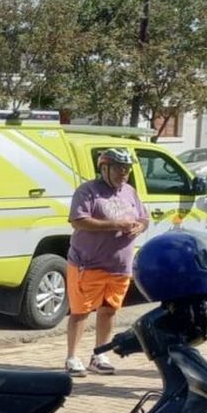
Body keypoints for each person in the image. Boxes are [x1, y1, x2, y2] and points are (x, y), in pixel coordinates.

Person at [64, 147, 149, 376]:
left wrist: (139, 226)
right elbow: (78, 220)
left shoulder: (129, 192)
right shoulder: (88, 191)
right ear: (104, 168)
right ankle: (72, 357)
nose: (124, 173)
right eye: (120, 168)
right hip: (88, 263)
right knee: (80, 312)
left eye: (127, 168)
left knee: (109, 310)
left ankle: (99, 354)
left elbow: (144, 218)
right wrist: (115, 225)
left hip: (120, 266)